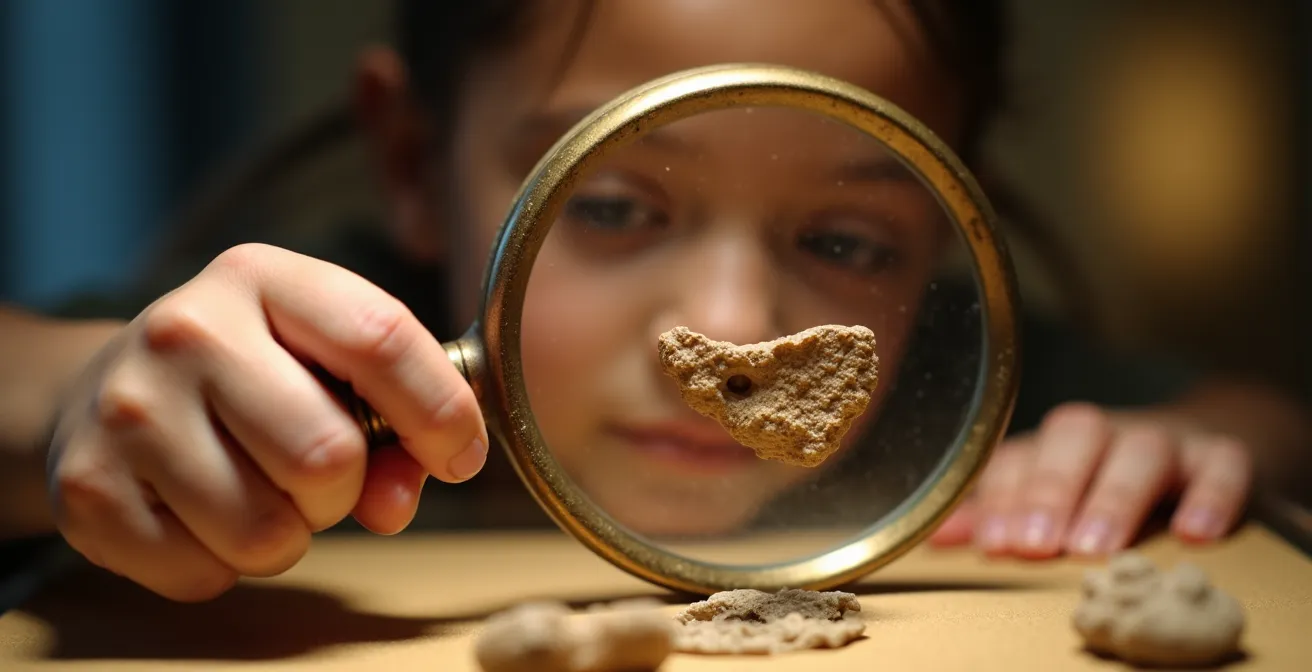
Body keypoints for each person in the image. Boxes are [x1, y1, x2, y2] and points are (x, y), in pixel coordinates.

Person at [0, 0, 1307, 604]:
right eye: (615, 210)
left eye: (847, 238)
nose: (735, 328)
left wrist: (1183, 455)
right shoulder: (324, 345)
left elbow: (1261, 419)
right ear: (411, 163)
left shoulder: (944, 403)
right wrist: (80, 394)